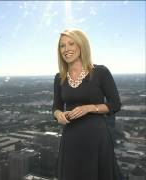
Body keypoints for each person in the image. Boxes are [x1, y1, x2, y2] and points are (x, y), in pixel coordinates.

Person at [52, 28, 121, 180]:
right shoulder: (59, 78)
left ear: (81, 46)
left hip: (95, 137)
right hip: (70, 137)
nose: (66, 49)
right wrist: (58, 115)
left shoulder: (100, 72)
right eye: (62, 46)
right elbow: (56, 107)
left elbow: (115, 104)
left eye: (71, 44)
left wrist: (90, 108)